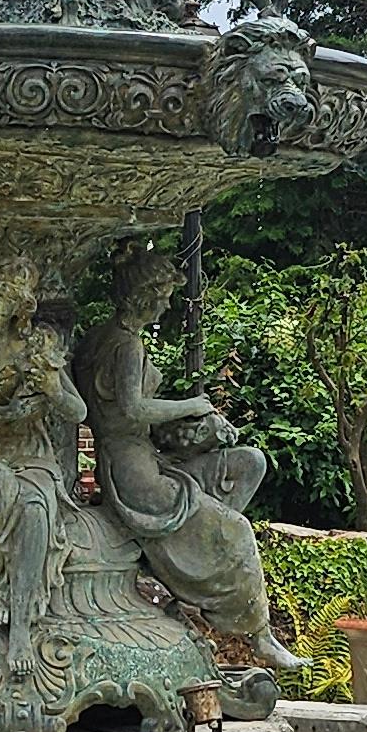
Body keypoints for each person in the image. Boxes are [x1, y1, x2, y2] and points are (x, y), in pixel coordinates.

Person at [80, 246, 298, 672]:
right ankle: (259, 634)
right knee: (237, 530)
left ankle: (193, 560)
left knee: (247, 463)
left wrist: (195, 432)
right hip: (135, 472)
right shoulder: (124, 345)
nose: (166, 306)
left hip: (144, 455)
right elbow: (132, 410)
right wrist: (192, 405)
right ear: (143, 296)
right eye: (162, 296)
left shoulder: (100, 338)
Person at [0, 260, 87, 676]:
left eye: (10, 301)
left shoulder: (38, 346)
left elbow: (77, 412)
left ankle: (20, 624)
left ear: (22, 307)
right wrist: (3, 413)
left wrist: (53, 389)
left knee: (35, 509)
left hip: (34, 456)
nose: (0, 308)